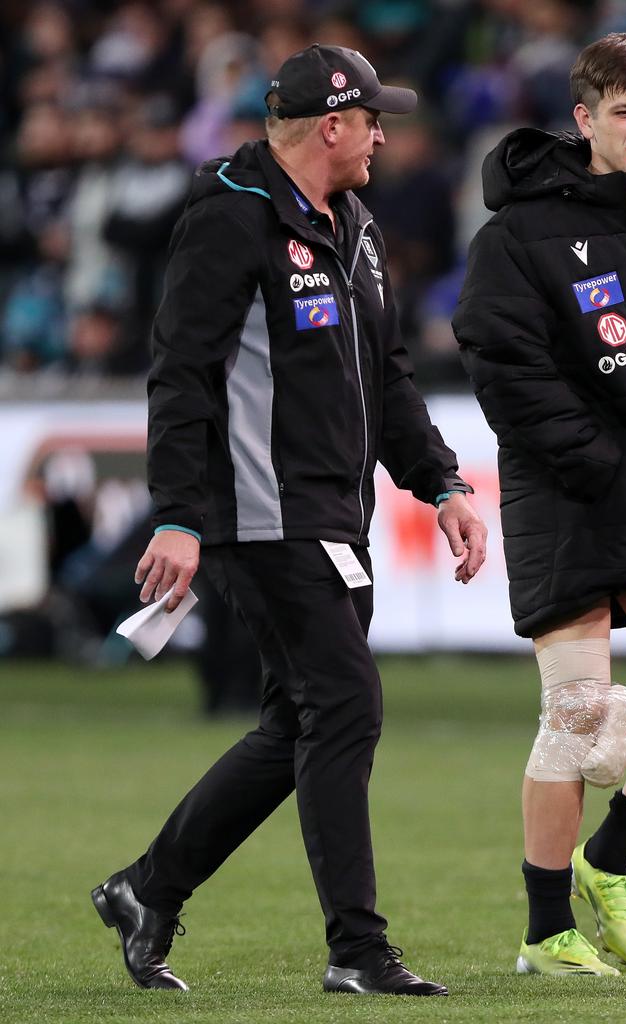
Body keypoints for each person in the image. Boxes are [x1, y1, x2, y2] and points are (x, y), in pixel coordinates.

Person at [91, 43, 486, 996]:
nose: (385, 135)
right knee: (345, 705)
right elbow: (180, 376)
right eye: (374, 119)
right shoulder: (229, 221)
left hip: (331, 517)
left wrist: (443, 484)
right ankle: (357, 947)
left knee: (296, 724)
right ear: (332, 126)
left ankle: (149, 889)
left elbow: (385, 378)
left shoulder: (353, 224)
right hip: (258, 516)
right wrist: (180, 515)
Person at [453, 32, 626, 976]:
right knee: (580, 718)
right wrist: (600, 459)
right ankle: (545, 932)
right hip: (572, 500)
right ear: (585, 121)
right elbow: (502, 367)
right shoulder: (522, 232)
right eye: (625, 112)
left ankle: (607, 860)